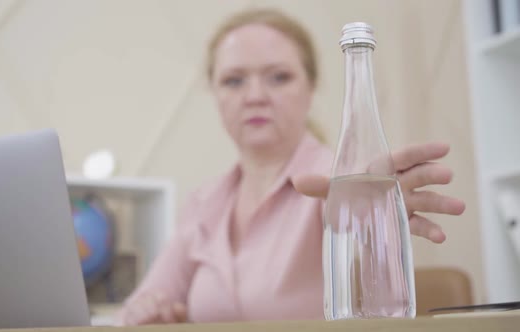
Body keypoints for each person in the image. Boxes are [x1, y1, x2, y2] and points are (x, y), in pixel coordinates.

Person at [116, 8, 465, 325]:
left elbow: (352, 223)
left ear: (311, 87)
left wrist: (373, 205)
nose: (254, 96)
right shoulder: (203, 203)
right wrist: (149, 312)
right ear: (215, 93)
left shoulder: (336, 181)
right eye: (234, 80)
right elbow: (140, 306)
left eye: (278, 77)